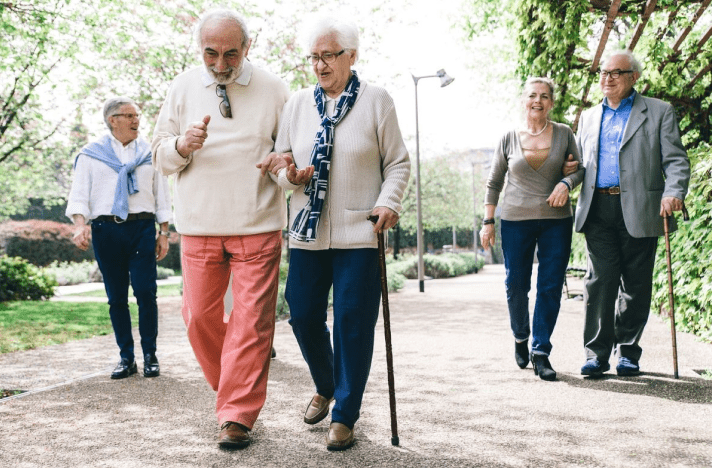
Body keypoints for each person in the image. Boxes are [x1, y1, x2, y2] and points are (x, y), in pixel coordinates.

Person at [260, 16, 410, 451]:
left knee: (352, 322)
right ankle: (326, 384)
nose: (320, 65)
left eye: (329, 56)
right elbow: (285, 169)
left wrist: (389, 202)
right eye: (314, 57)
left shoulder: (376, 101)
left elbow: (397, 163)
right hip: (308, 231)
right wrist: (290, 174)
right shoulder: (298, 105)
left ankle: (344, 414)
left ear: (352, 56)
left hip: (359, 231)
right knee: (302, 312)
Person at [151, 8, 290, 449]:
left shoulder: (274, 89)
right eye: (211, 53)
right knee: (197, 318)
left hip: (257, 222)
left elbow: (289, 156)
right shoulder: (183, 86)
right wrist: (180, 145)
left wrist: (283, 167)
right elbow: (158, 155)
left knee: (252, 323)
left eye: (231, 54)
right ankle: (233, 389)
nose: (221, 64)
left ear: (247, 48)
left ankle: (236, 414)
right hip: (199, 224)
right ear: (200, 49)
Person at [574, 49, 690, 378]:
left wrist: (673, 192)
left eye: (615, 73)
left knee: (636, 284)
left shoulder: (658, 112)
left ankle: (627, 351)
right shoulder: (588, 117)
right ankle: (596, 354)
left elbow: (676, 160)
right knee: (599, 282)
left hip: (642, 206)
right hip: (598, 207)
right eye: (603, 73)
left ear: (633, 77)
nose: (606, 78)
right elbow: (580, 164)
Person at [480, 77, 584, 382]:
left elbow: (579, 169)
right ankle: (521, 335)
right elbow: (494, 182)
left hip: (556, 221)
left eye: (544, 96)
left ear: (552, 102)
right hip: (514, 220)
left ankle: (541, 352)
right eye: (532, 95)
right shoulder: (509, 138)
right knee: (516, 285)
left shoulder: (564, 134)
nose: (537, 101)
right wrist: (488, 222)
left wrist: (566, 183)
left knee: (550, 286)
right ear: (524, 100)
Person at [66, 97, 171, 380]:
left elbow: (162, 195)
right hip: (106, 230)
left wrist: (164, 233)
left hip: (142, 228)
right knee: (116, 298)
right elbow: (80, 194)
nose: (137, 120)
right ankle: (126, 357)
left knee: (146, 292)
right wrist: (79, 225)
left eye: (137, 115)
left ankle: (150, 355)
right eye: (130, 115)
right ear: (113, 120)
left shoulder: (151, 152)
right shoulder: (91, 155)